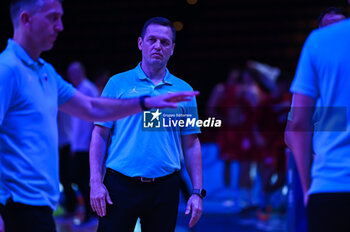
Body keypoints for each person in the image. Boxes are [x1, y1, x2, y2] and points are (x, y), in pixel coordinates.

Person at [0, 1, 198, 231]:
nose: (60, 27)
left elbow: (92, 108)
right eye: (53, 18)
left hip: (40, 204)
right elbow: (98, 126)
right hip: (14, 204)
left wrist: (146, 103)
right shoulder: (7, 70)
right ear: (26, 19)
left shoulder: (45, 71)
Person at [89, 17, 204, 232]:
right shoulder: (117, 84)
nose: (158, 46)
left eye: (164, 42)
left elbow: (191, 143)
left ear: (172, 49)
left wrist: (197, 192)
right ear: (141, 43)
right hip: (120, 185)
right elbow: (100, 134)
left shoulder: (184, 91)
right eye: (152, 40)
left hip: (165, 188)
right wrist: (96, 182)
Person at [285, 4, 350, 231]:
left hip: (330, 186)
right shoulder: (319, 55)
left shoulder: (318, 44)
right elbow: (293, 131)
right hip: (324, 176)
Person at [66, 61, 99, 224]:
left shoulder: (88, 89)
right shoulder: (78, 90)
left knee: (81, 179)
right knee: (78, 179)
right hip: (78, 145)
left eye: (74, 73)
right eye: (70, 74)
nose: (72, 76)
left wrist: (92, 142)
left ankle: (91, 212)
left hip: (86, 145)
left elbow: (95, 118)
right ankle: (89, 211)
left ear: (81, 72)